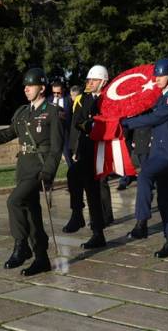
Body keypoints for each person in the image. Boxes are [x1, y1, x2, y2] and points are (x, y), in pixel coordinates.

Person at [0, 68, 62, 276]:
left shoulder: (52, 112)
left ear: (41, 88)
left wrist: (49, 172)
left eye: (30, 86)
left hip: (39, 169)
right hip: (23, 167)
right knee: (31, 213)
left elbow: (57, 147)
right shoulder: (23, 112)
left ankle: (21, 246)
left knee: (13, 201)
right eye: (25, 86)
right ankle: (42, 258)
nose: (26, 89)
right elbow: (9, 133)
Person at [122, 58, 168, 258]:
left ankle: (142, 222)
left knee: (144, 176)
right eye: (156, 75)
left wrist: (127, 123)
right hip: (159, 152)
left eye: (161, 75)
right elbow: (147, 113)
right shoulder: (160, 97)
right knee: (165, 197)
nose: (157, 79)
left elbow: (154, 118)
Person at [62, 65, 112, 249]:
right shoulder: (83, 99)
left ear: (103, 82)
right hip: (86, 148)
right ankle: (80, 216)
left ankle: (94, 229)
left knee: (93, 191)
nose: (89, 83)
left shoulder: (109, 99)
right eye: (88, 80)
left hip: (101, 149)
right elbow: (77, 124)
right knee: (75, 177)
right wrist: (75, 149)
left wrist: (93, 124)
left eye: (94, 80)